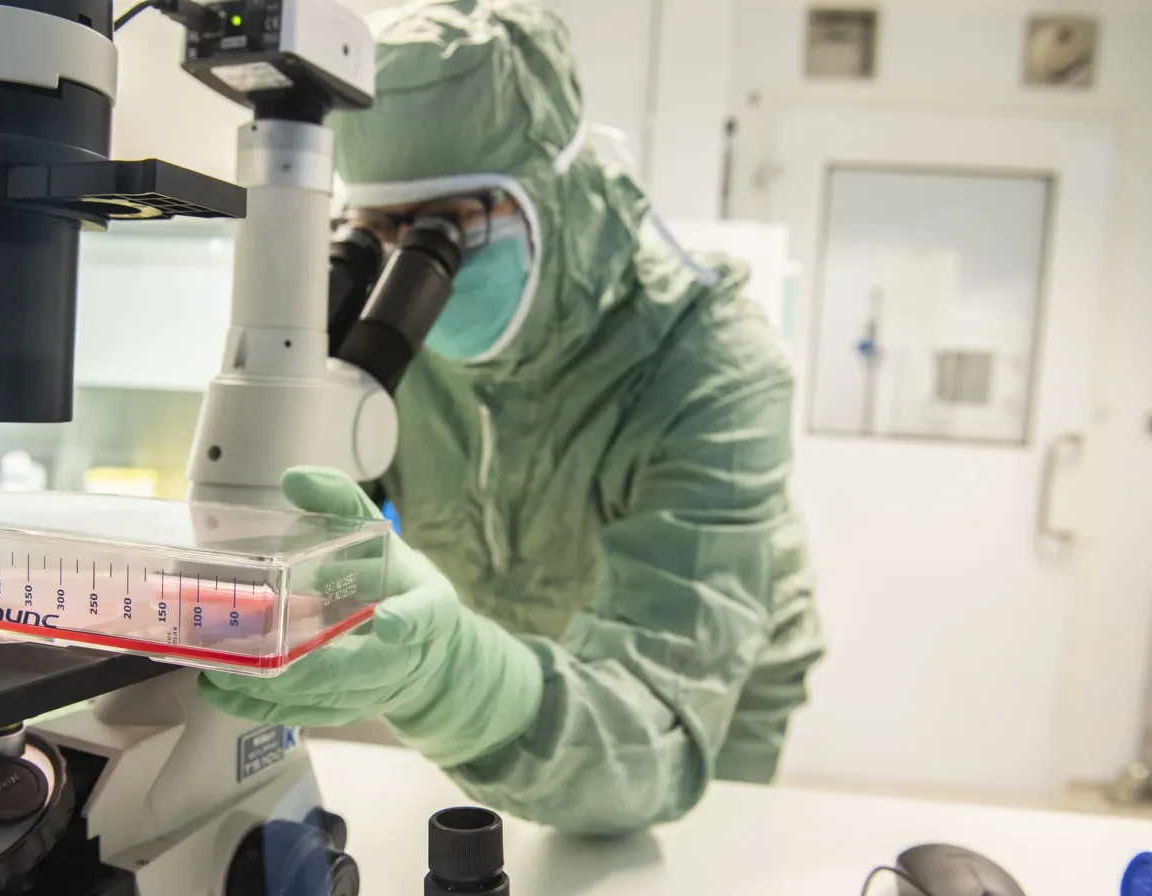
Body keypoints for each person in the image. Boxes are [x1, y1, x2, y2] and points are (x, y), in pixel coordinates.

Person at [199, 0, 825, 836]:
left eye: (448, 228)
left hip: (694, 688)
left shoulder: (708, 358)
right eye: (377, 230)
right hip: (509, 652)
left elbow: (656, 724)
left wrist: (452, 679)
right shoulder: (398, 330)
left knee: (671, 880)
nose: (412, 266)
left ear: (551, 195)